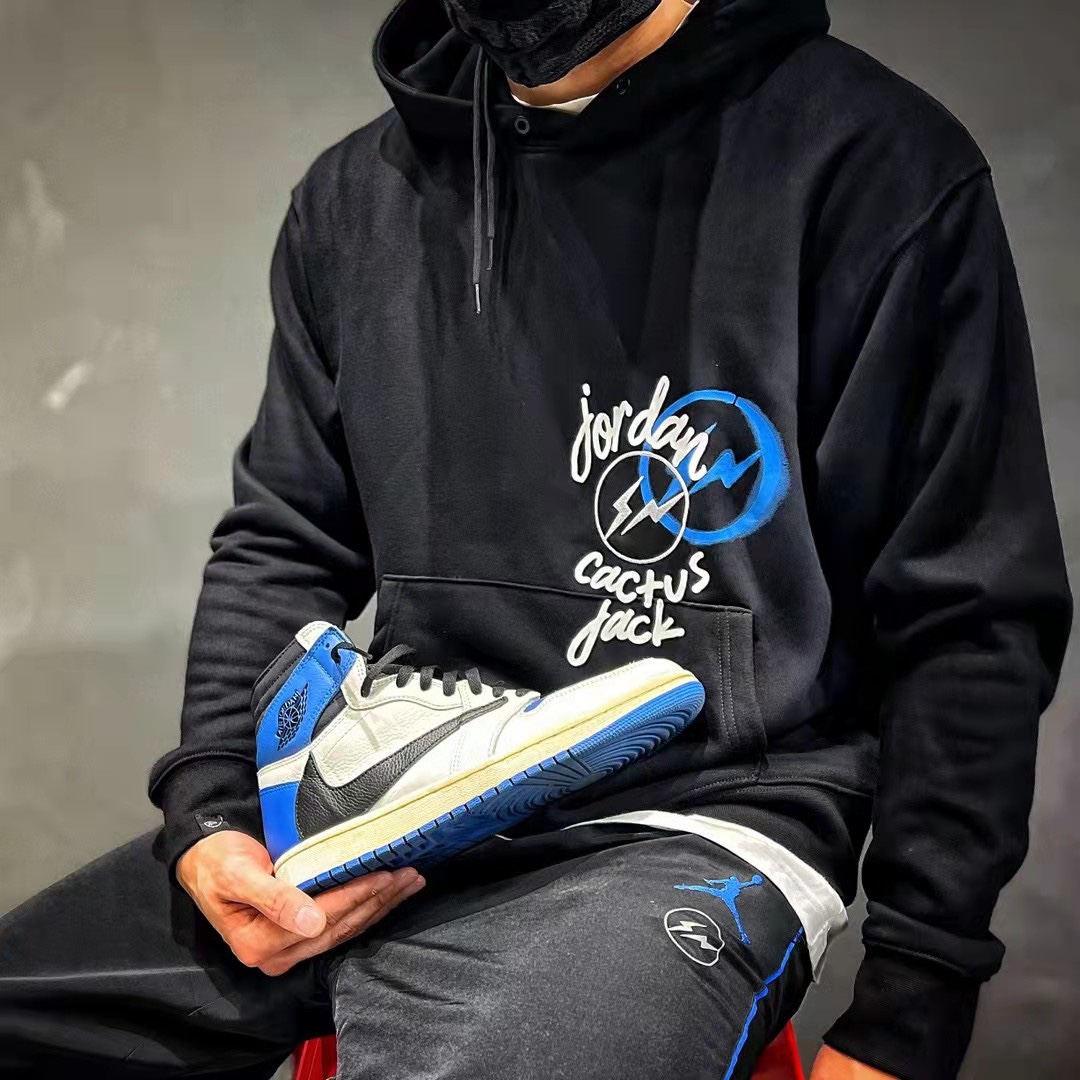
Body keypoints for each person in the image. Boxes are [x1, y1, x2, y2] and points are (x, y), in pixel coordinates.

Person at [0, 0, 1071, 1078]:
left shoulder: (872, 166)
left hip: (697, 822)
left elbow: (966, 612)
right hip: (386, 817)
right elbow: (285, 537)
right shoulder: (356, 197)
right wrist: (216, 814)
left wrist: (906, 1019)